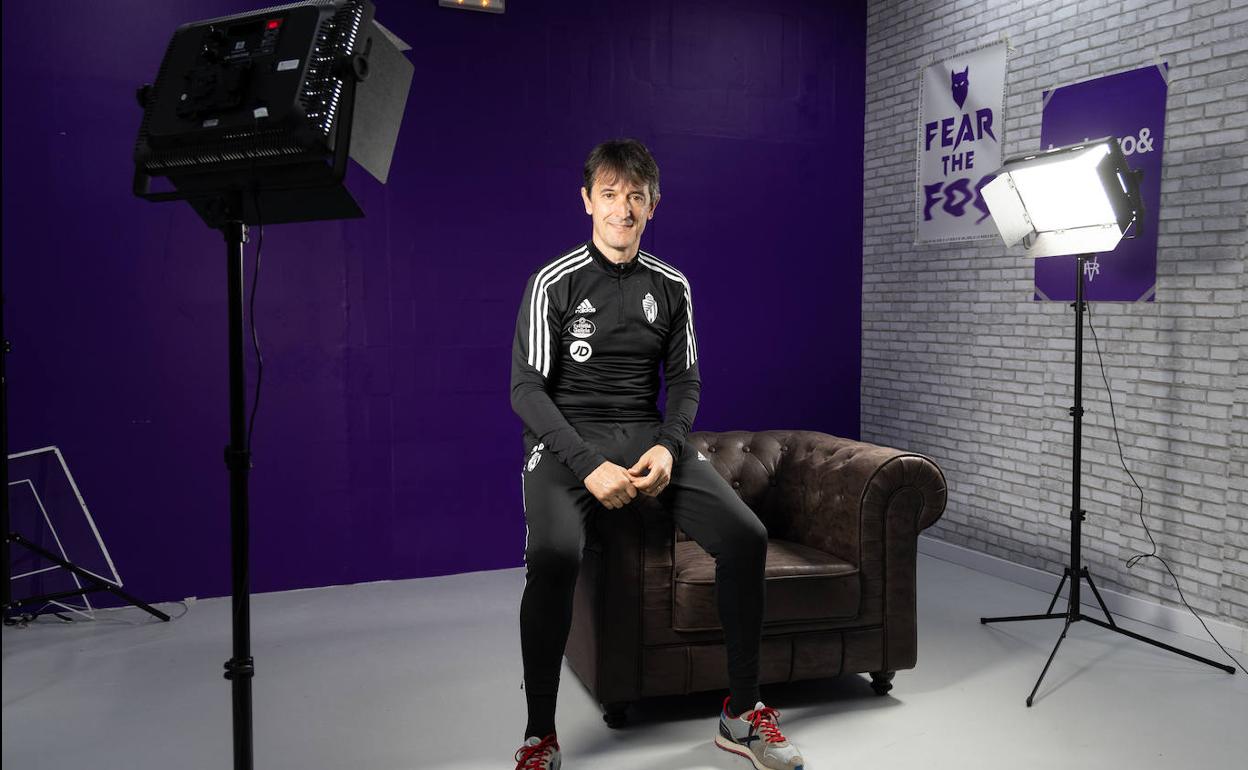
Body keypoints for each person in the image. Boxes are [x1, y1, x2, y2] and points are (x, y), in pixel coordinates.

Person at [509, 138, 805, 770]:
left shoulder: (671, 286)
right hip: (565, 443)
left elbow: (687, 382)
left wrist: (670, 448)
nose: (623, 209)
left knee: (746, 536)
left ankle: (742, 714)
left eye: (636, 197)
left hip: (647, 437)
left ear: (653, 206)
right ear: (587, 201)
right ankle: (540, 735)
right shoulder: (552, 284)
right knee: (555, 553)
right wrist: (587, 465)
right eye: (610, 195)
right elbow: (525, 390)